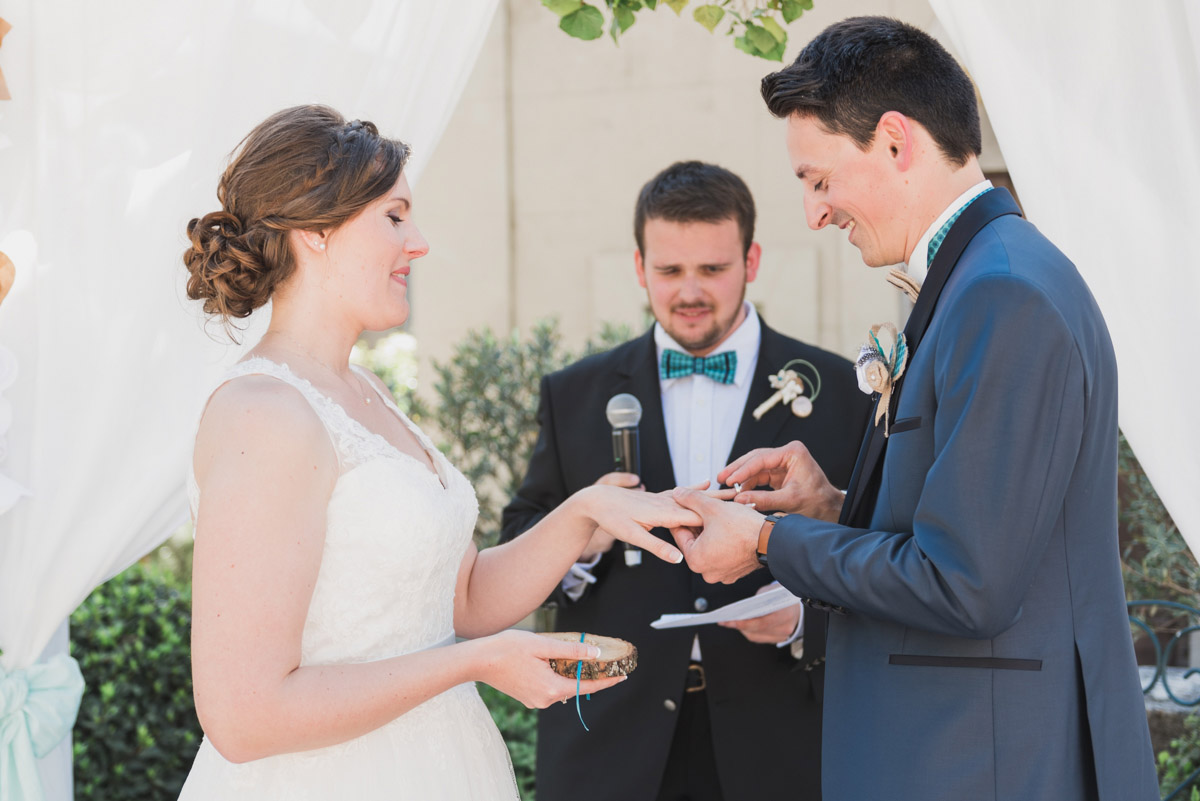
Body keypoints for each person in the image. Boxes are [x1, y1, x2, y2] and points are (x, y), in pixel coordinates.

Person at [669, 17, 1159, 801]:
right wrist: (831, 507)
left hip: (984, 762)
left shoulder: (1003, 294)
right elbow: (968, 530)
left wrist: (768, 540)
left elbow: (966, 583)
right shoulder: (984, 276)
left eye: (818, 179)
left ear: (895, 141)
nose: (814, 213)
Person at [175, 104, 702, 801]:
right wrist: (473, 664)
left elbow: (458, 599)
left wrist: (582, 514)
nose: (418, 242)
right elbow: (245, 714)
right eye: (394, 216)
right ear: (315, 232)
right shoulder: (263, 413)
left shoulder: (364, 389)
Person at [500, 161, 869, 801]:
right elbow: (519, 537)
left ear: (751, 261)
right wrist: (582, 535)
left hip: (782, 742)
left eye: (712, 269)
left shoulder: (841, 392)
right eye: (670, 271)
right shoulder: (575, 393)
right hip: (610, 742)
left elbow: (879, 555)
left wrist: (803, 619)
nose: (690, 291)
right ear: (640, 268)